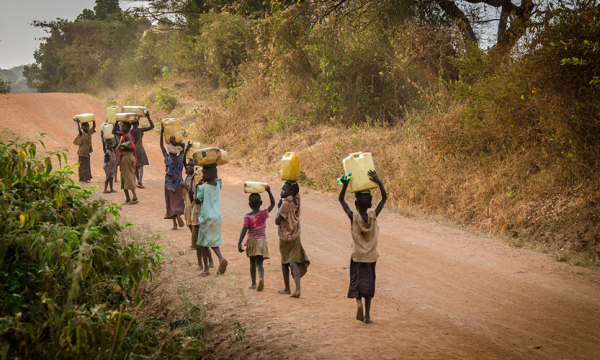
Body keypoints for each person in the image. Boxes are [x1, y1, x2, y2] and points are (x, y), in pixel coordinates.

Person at [338, 170, 387, 324]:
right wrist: (378, 182)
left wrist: (344, 185)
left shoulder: (353, 217)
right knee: (369, 284)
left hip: (357, 256)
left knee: (357, 281)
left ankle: (358, 303)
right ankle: (367, 315)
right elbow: (384, 198)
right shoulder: (373, 215)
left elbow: (341, 200)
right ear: (370, 204)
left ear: (356, 204)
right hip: (371, 257)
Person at [275, 181, 310, 298]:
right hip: (295, 235)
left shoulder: (285, 204)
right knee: (293, 262)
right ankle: (298, 289)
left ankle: (287, 288)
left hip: (285, 237)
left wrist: (279, 205)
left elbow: (277, 221)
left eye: (284, 190)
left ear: (291, 192)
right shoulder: (297, 200)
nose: (281, 191)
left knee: (285, 262)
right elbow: (297, 192)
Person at [237, 185, 275, 291]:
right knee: (260, 263)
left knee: (252, 262)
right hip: (261, 240)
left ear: (249, 204)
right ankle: (261, 278)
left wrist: (240, 242)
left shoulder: (247, 216)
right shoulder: (264, 213)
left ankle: (253, 283)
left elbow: (244, 229)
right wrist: (269, 191)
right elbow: (273, 204)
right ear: (261, 203)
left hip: (251, 241)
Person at [194, 165, 228, 276]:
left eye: (203, 173)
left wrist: (196, 187)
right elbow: (216, 178)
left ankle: (206, 269)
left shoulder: (202, 188)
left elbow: (197, 201)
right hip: (217, 217)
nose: (202, 175)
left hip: (206, 218)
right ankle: (220, 258)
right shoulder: (218, 185)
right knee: (212, 240)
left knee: (204, 244)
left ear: (208, 175)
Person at [182, 159, 214, 270]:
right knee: (198, 244)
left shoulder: (202, 185)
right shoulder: (193, 180)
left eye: (191, 166)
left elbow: (194, 196)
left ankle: (208, 261)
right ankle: (202, 263)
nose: (188, 167)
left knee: (203, 243)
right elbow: (191, 197)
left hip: (201, 218)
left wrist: (194, 183)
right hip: (195, 217)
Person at [160, 127, 187, 230]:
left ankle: (175, 223)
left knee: (170, 202)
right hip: (179, 183)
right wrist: (176, 144)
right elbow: (184, 145)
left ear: (169, 150)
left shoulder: (168, 158)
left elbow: (161, 146)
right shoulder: (181, 158)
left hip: (169, 184)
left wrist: (162, 132)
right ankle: (178, 214)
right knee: (178, 201)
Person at [112, 121, 138, 205]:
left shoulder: (127, 137)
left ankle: (134, 196)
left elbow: (132, 148)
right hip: (126, 157)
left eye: (123, 126)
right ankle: (128, 198)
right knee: (125, 176)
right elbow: (113, 132)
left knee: (127, 176)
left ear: (128, 128)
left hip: (127, 157)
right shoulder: (124, 134)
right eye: (121, 126)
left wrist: (121, 146)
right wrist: (116, 122)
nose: (121, 127)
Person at [131, 111, 154, 188]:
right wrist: (148, 117)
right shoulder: (140, 130)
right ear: (137, 124)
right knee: (141, 166)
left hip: (132, 149)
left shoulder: (129, 131)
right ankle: (140, 180)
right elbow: (152, 126)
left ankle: (138, 181)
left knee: (135, 165)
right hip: (140, 149)